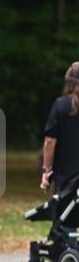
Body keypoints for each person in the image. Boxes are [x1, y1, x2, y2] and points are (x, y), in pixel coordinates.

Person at [40, 61, 79, 196]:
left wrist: (46, 170)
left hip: (65, 178)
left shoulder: (61, 105)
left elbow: (49, 141)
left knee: (64, 214)